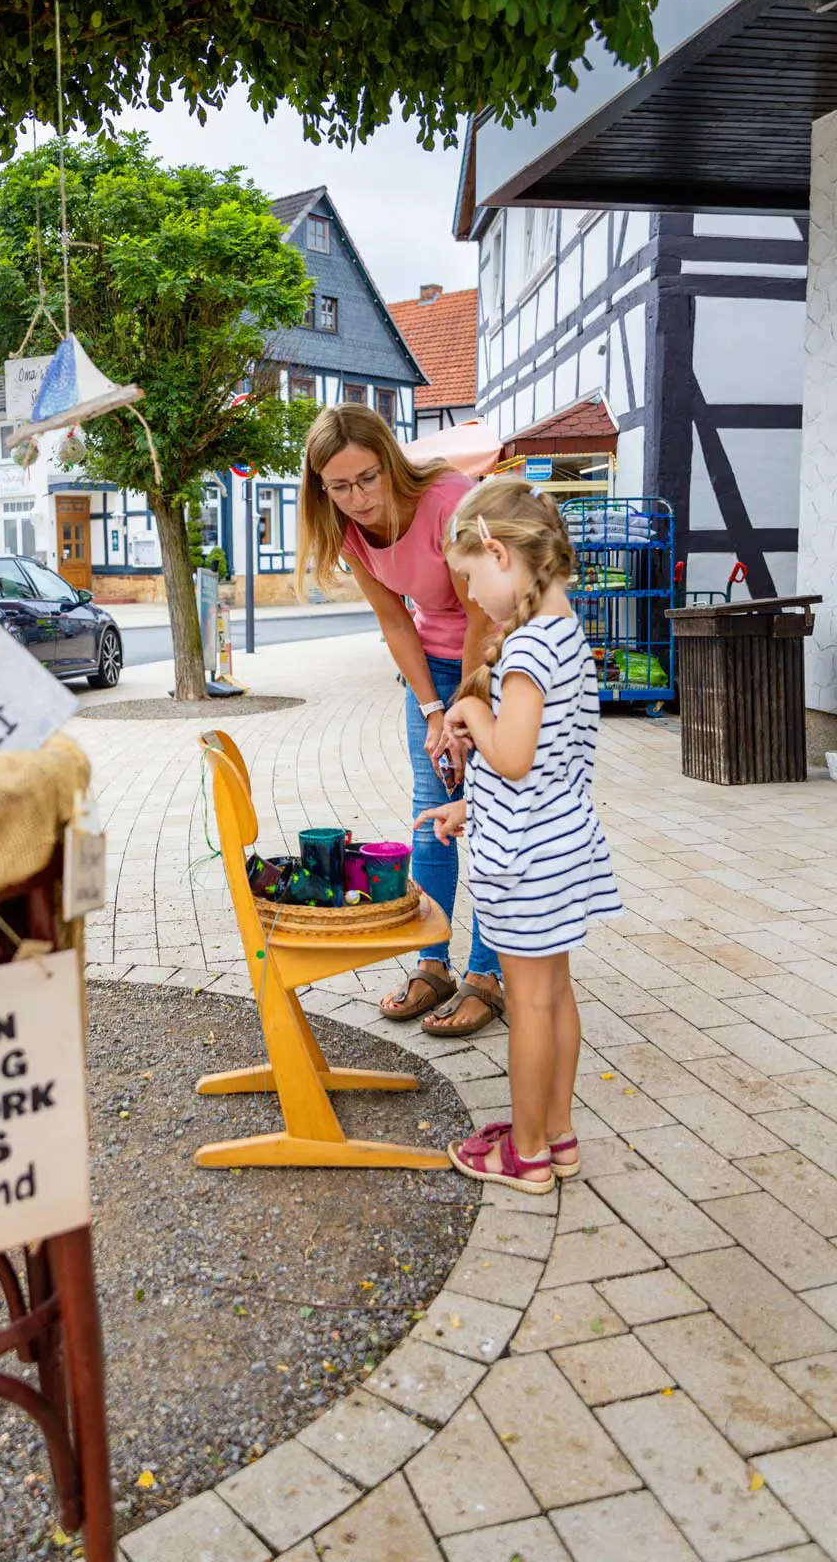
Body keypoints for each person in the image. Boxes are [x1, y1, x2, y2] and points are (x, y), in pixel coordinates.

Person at [415, 477, 622, 1192]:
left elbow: (513, 756)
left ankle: (526, 1151)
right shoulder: (568, 637)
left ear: (498, 553)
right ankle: (557, 1135)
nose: (472, 599)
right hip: (560, 845)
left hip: (526, 865)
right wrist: (468, 809)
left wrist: (467, 716)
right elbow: (543, 769)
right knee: (555, 997)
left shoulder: (529, 650)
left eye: (472, 580)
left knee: (529, 1007)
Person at [295, 405, 505, 1037]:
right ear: (320, 487)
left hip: (498, 658)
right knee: (431, 813)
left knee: (492, 815)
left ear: (388, 463)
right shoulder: (346, 528)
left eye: (366, 479)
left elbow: (481, 619)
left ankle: (487, 977)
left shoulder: (450, 502)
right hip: (434, 665)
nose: (357, 498)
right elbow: (395, 620)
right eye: (339, 486)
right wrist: (434, 710)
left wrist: (467, 711)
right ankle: (433, 963)